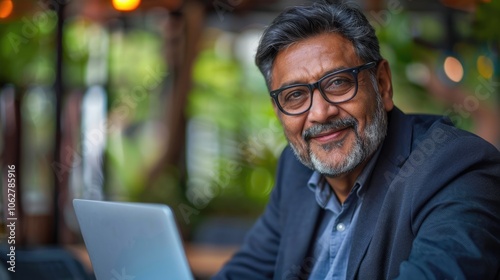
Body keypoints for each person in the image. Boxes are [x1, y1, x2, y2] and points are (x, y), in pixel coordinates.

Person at [213, 1, 500, 279]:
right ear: (279, 112)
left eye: (338, 82)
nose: (320, 113)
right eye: (296, 95)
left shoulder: (456, 167)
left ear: (383, 84)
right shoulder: (295, 170)